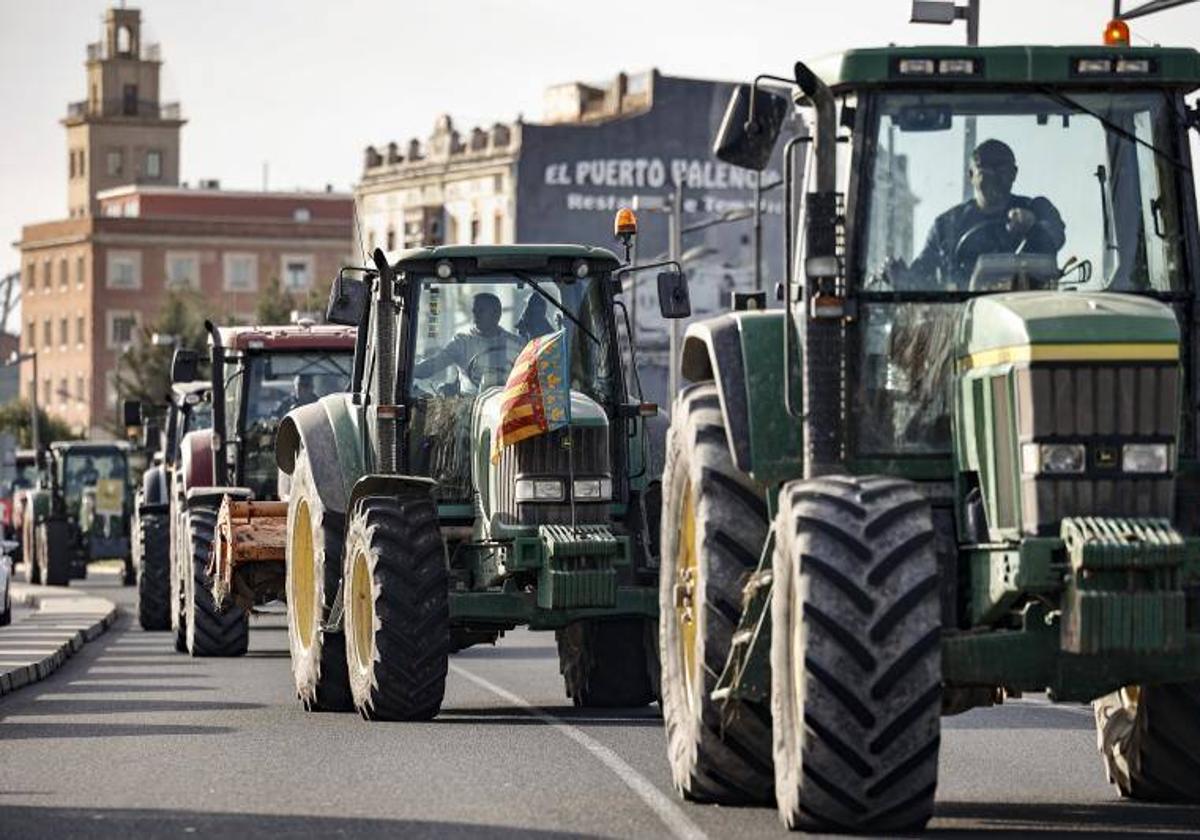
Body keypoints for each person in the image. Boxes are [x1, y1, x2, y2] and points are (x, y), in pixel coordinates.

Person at [887, 139, 1066, 289]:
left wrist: (1034, 226)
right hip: (961, 317)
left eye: (1001, 168)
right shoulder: (946, 226)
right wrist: (901, 278)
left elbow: (1056, 235)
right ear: (971, 174)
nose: (994, 175)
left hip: (1028, 310)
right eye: (985, 168)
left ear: (1014, 173)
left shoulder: (1038, 209)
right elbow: (922, 276)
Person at [413, 292, 524, 386]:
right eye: (474, 311)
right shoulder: (461, 343)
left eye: (481, 311)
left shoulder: (517, 345)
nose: (475, 315)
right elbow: (432, 367)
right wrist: (407, 371)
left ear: (497, 314)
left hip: (507, 406)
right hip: (469, 406)